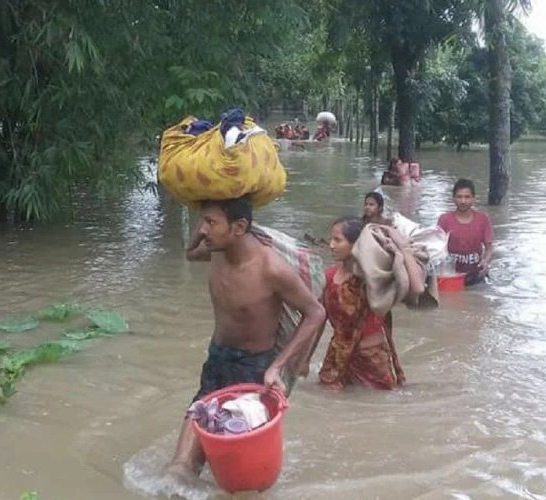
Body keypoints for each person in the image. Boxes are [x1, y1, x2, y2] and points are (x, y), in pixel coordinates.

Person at [166, 196, 326, 479]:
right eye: (203, 221)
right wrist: (204, 218)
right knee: (180, 468)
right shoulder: (216, 250)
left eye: (211, 222)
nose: (203, 230)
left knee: (240, 473)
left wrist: (278, 367)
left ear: (239, 227)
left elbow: (315, 313)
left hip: (253, 368)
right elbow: (190, 253)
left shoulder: (271, 268)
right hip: (217, 357)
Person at [316, 217, 424, 390]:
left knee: (377, 403)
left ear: (356, 244)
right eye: (331, 239)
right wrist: (304, 359)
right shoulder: (329, 276)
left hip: (372, 359)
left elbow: (417, 288)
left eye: (338, 240)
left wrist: (403, 248)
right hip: (338, 356)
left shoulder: (375, 279)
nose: (331, 245)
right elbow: (319, 320)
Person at [436, 179, 494, 285]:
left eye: (467, 197)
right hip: (451, 274)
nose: (463, 201)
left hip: (476, 273)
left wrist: (485, 261)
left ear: (473, 199)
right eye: (459, 197)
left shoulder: (483, 219)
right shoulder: (444, 220)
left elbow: (489, 248)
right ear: (453, 199)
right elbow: (437, 248)